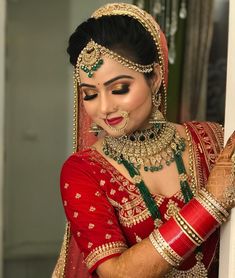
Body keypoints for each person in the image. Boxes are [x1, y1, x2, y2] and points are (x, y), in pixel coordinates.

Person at [53, 3, 235, 278]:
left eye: (119, 88)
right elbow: (116, 273)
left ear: (154, 79)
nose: (103, 108)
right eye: (90, 94)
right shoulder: (83, 171)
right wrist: (212, 202)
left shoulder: (213, 141)